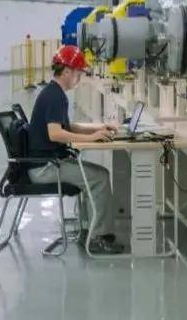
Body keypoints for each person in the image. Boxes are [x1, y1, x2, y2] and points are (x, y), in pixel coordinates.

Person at [27, 45, 124, 254]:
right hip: (45, 168)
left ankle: (90, 231)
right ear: (66, 71)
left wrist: (97, 129)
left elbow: (66, 127)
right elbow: (55, 134)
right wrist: (91, 137)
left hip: (48, 162)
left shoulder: (54, 92)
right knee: (99, 177)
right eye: (78, 74)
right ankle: (97, 238)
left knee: (97, 174)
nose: (79, 79)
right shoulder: (55, 96)